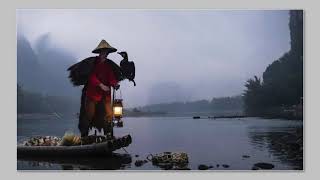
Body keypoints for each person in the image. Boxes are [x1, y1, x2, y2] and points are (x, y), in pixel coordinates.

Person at [82, 39, 120, 138]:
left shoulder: (108, 65)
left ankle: (108, 136)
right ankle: (84, 137)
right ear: (99, 52)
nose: (105, 54)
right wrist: (101, 85)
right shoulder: (93, 63)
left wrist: (115, 84)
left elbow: (111, 77)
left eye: (106, 52)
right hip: (92, 95)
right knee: (89, 115)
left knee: (109, 115)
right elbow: (91, 76)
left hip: (105, 96)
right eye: (103, 52)